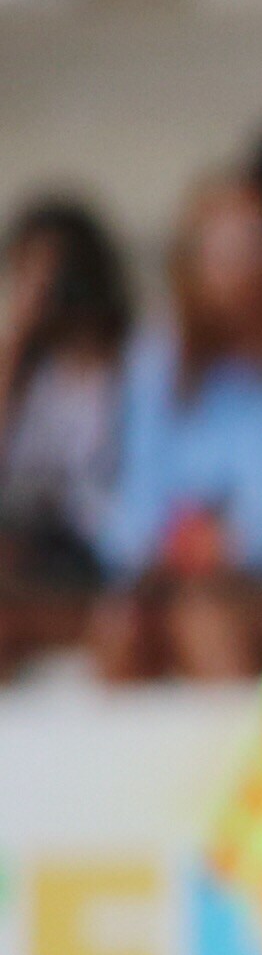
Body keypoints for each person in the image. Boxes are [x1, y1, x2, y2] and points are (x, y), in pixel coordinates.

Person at [88, 173, 262, 684]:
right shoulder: (158, 361)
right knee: (123, 626)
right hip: (173, 575)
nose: (228, 266)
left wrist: (228, 544)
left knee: (204, 618)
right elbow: (137, 494)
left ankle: (240, 761)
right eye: (211, 248)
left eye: (246, 244)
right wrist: (170, 546)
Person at [0, 190, 128, 670]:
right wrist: (17, 336)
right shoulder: (28, 376)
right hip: (33, 545)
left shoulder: (140, 362)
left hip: (102, 546)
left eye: (59, 273)